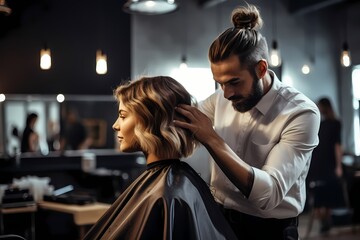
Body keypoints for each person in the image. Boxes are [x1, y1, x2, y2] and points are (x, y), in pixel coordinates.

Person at [173, 4, 321, 239]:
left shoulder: (300, 113)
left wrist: (211, 138)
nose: (227, 93)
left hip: (270, 231)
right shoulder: (220, 98)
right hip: (220, 219)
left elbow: (268, 194)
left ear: (261, 69)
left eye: (234, 82)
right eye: (219, 83)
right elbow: (182, 121)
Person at [83, 76, 237, 240]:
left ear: (151, 120)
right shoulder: (175, 185)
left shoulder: (166, 196)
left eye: (123, 116)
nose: (115, 125)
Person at [307, 97, 344, 233]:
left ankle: (327, 220)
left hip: (328, 162)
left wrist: (339, 166)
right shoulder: (319, 124)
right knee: (316, 192)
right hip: (317, 162)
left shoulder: (335, 123)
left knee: (328, 191)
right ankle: (323, 220)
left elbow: (337, 145)